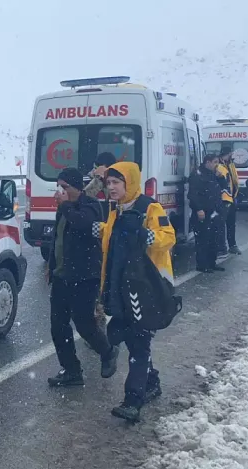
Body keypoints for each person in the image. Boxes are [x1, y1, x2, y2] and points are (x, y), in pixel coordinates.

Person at [95, 161, 176, 422]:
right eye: (108, 184)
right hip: (121, 286)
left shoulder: (150, 207)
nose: (111, 188)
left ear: (129, 182)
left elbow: (168, 235)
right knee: (131, 339)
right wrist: (102, 230)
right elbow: (117, 239)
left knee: (139, 343)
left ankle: (133, 400)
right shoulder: (115, 211)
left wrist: (149, 236)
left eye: (116, 183)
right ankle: (151, 382)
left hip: (145, 288)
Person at [46, 168, 119, 386]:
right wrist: (52, 266)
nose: (61, 191)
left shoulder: (91, 205)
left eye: (65, 187)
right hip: (62, 276)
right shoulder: (64, 209)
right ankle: (71, 370)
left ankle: (107, 351)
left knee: (84, 323)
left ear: (78, 188)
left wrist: (66, 205)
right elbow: (58, 239)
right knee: (58, 326)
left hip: (84, 276)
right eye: (58, 186)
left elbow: (82, 224)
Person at [84, 152, 117, 338]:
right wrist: (97, 178)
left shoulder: (116, 184)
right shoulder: (94, 182)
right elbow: (85, 197)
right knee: (97, 285)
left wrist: (107, 179)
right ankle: (98, 328)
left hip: (112, 238)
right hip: (96, 239)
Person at [188, 154, 225, 273]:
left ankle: (212, 263)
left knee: (214, 238)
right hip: (203, 212)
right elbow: (193, 194)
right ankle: (202, 264)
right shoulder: (197, 175)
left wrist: (220, 177)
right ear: (207, 162)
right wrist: (198, 209)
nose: (216, 165)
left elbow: (223, 187)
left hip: (214, 211)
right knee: (203, 239)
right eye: (214, 162)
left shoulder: (214, 174)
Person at [216, 148, 241, 256]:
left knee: (231, 224)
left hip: (231, 198)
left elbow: (234, 180)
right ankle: (222, 247)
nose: (232, 156)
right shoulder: (219, 166)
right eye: (231, 154)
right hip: (224, 199)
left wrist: (235, 195)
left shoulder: (230, 164)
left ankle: (232, 245)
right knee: (221, 225)